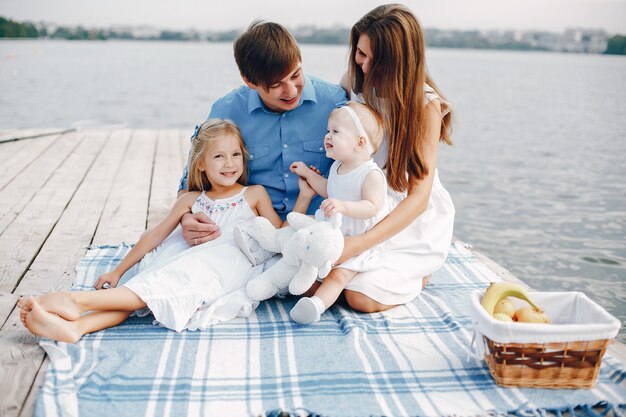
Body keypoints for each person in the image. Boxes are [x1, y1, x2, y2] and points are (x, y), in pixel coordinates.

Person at [18, 119, 314, 343]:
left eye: (235, 155)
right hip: (181, 257)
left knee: (152, 291)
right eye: (219, 157)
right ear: (201, 164)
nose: (229, 164)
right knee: (146, 289)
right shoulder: (190, 199)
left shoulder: (254, 194)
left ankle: (76, 301)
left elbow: (279, 235)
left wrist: (304, 197)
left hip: (223, 266)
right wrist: (118, 271)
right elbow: (156, 235)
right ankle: (77, 327)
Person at [331, 4, 455, 313]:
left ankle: (420, 270)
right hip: (361, 201)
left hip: (406, 217)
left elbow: (419, 198)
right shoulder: (354, 80)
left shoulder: (425, 106)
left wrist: (358, 245)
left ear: (401, 62)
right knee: (317, 281)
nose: (365, 66)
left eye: (377, 60)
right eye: (361, 53)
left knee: (358, 297)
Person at [178, 20, 347, 247]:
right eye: (276, 84)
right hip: (248, 233)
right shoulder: (226, 111)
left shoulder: (334, 101)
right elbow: (191, 182)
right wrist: (186, 218)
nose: (291, 90)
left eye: (295, 74)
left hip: (319, 231)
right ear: (249, 81)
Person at [287, 102, 388, 324]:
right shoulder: (337, 167)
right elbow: (327, 189)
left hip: (357, 245)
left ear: (360, 143)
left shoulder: (370, 174)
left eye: (335, 132)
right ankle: (275, 253)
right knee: (301, 235)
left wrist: (342, 206)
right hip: (335, 235)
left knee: (338, 275)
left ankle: (316, 306)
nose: (327, 136)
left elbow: (372, 206)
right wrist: (306, 173)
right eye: (328, 131)